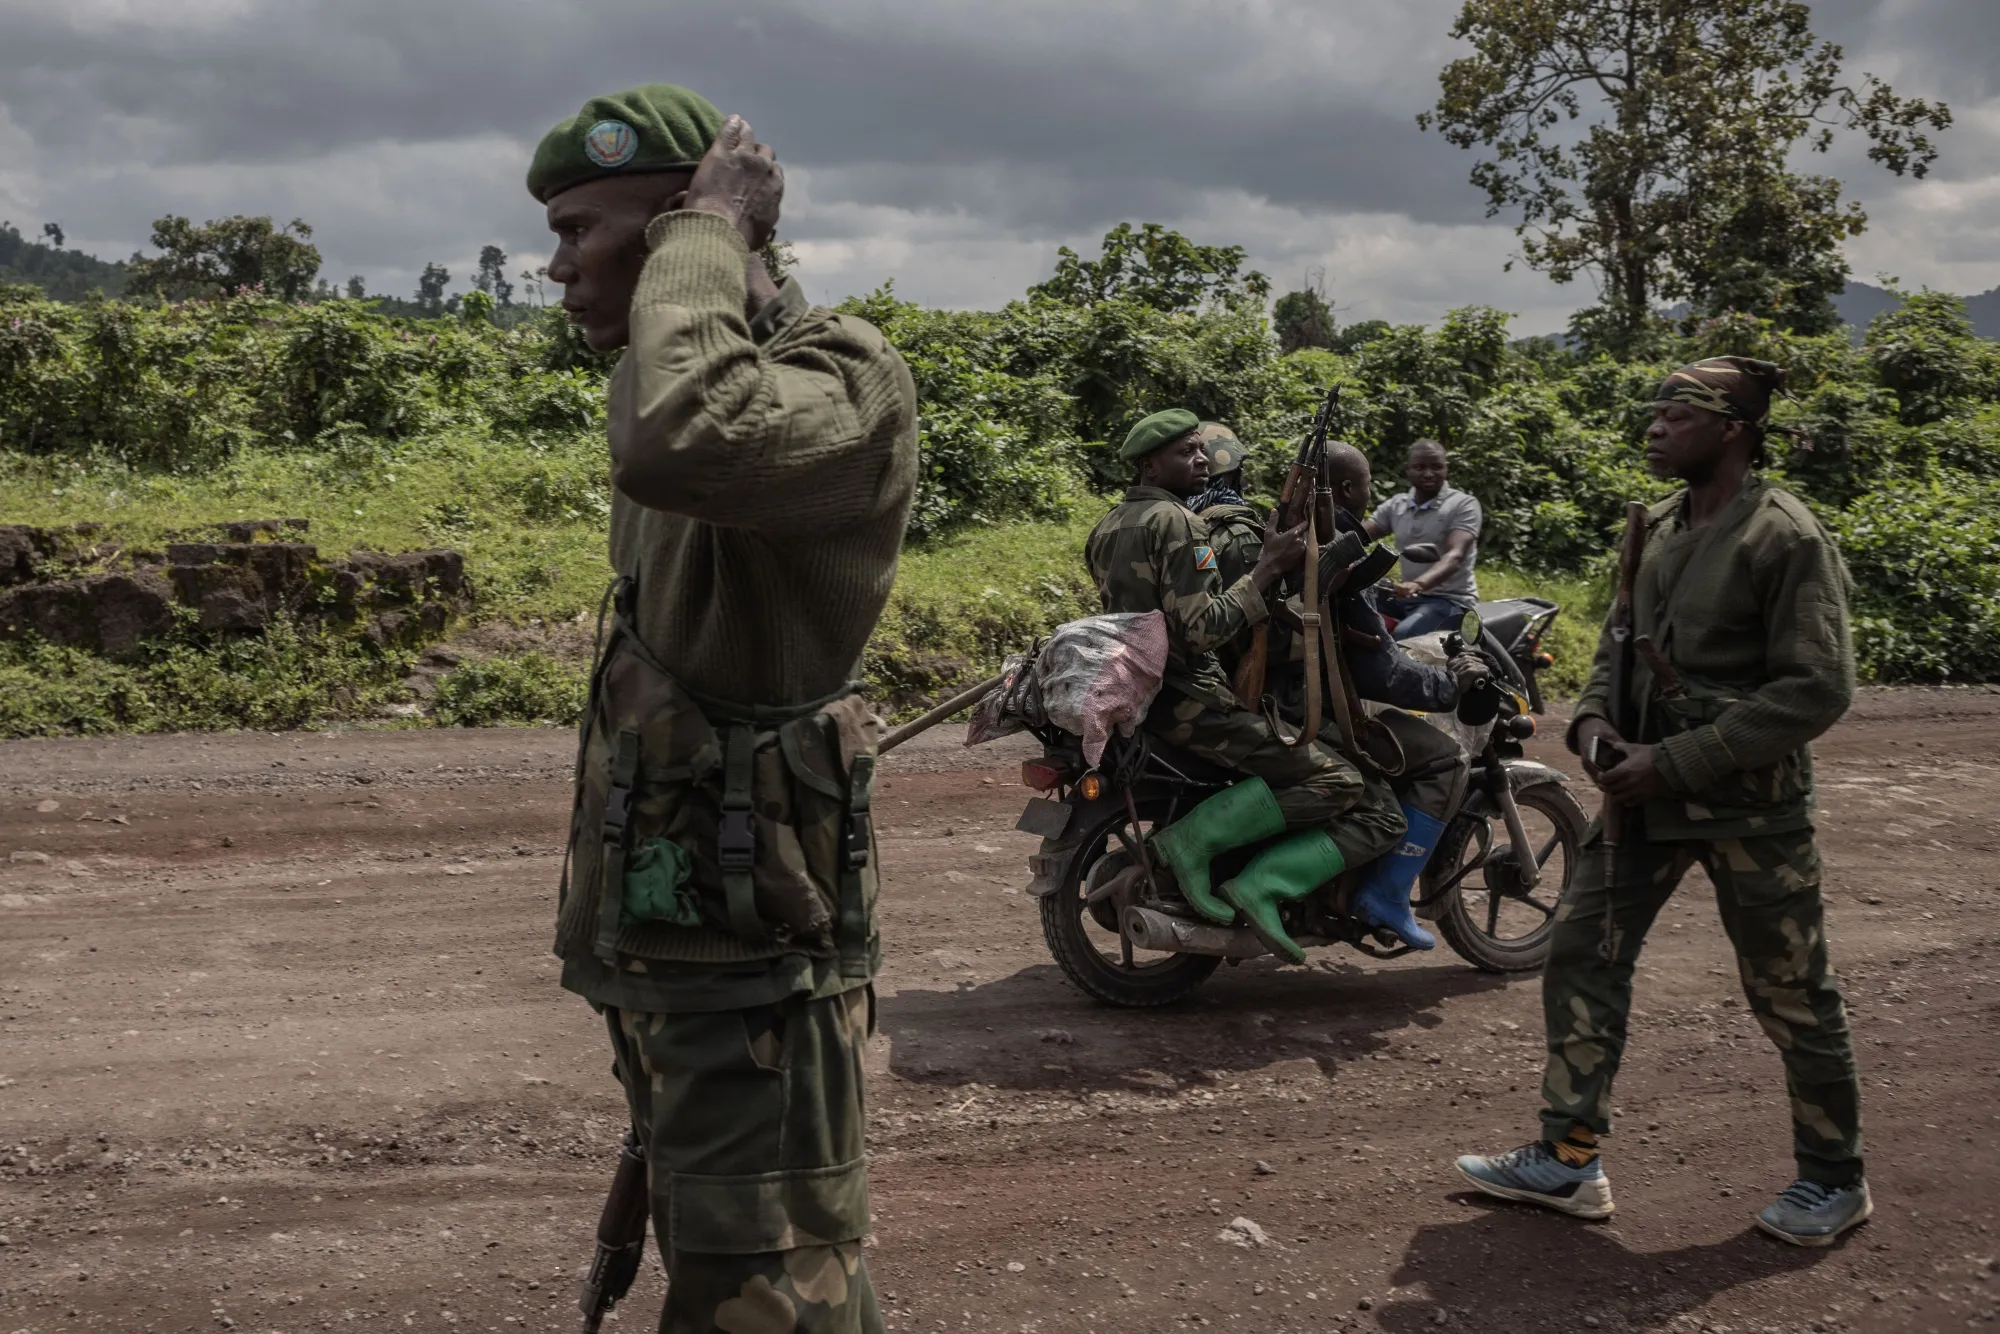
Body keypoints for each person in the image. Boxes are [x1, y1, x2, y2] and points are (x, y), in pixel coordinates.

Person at [531, 84, 918, 1330]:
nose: (556, 268)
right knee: (759, 1284)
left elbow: (682, 436)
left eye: (582, 231)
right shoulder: (675, 379)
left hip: (755, 971)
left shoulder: (840, 385)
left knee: (771, 1296)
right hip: (686, 946)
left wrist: (712, 233)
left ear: (677, 231)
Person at [1455, 356, 1870, 1248]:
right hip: (1637, 801)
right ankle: (1568, 1161)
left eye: (1677, 413)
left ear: (1733, 429)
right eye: (1655, 410)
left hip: (1748, 809)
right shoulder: (1657, 525)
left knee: (1790, 991)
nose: (1654, 426)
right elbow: (1615, 642)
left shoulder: (1785, 536)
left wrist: (1674, 760)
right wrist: (1595, 724)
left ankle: (1834, 1181)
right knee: (1579, 954)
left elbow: (1818, 687)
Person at [1085, 409, 1407, 964]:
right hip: (1190, 700)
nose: (1201, 459)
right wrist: (1266, 569)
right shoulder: (1181, 525)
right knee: (1340, 781)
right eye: (1186, 452)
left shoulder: (1107, 526)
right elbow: (1199, 629)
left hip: (1148, 695)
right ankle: (1202, 850)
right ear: (1149, 465)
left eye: (1200, 449)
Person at [1206, 440, 1488, 951]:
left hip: (1255, 695)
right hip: (1296, 705)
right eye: (1364, 485)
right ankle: (1384, 894)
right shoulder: (1331, 549)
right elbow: (1382, 673)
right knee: (1441, 761)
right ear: (1344, 490)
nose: (1368, 495)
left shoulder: (1269, 536)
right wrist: (1452, 685)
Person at [1365, 440, 1482, 640]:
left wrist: (1418, 584)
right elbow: (1362, 532)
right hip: (1406, 598)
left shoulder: (1463, 505)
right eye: (1420, 467)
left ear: (1446, 468)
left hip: (1450, 601)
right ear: (1408, 469)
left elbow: (1455, 556)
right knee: (1348, 608)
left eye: (1436, 467)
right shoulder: (1397, 505)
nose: (1428, 473)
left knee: (1405, 636)